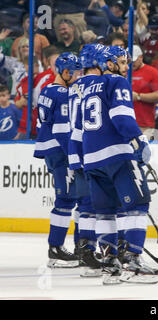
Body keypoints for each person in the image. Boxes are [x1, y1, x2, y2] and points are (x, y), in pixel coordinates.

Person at [72, 44, 156, 285]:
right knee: (138, 205)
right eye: (121, 61)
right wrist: (138, 141)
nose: (126, 66)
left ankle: (110, 266)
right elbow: (122, 117)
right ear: (108, 63)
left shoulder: (85, 88)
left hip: (92, 161)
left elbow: (78, 129)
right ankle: (134, 263)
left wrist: (78, 157)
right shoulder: (117, 83)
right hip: (118, 156)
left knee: (105, 213)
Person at [33, 52, 82, 268]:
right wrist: (73, 157)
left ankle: (60, 247)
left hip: (50, 151)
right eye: (75, 71)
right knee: (66, 199)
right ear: (65, 72)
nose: (79, 75)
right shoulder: (63, 94)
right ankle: (55, 249)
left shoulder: (47, 90)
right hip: (61, 153)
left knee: (69, 198)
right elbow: (63, 131)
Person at [131, 45, 158, 139]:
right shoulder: (124, 71)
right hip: (126, 123)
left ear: (141, 57)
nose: (132, 63)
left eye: (134, 61)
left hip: (144, 124)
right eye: (130, 61)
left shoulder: (152, 72)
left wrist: (138, 96)